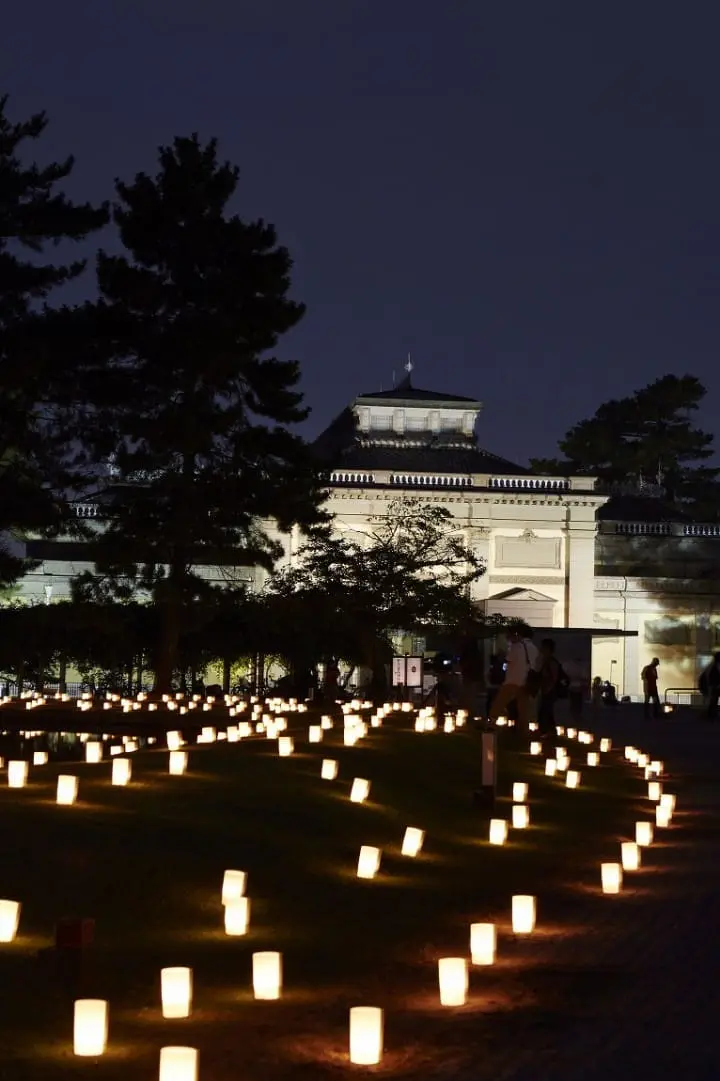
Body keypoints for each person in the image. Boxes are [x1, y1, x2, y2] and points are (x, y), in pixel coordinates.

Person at [489, 625, 540, 729]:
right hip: (526, 683)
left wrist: (502, 655)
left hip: (512, 680)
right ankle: (523, 732)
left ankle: (491, 727)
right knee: (523, 710)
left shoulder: (517, 646)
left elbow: (508, 660)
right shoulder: (534, 648)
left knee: (498, 705)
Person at [537, 638, 561, 737]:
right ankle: (550, 732)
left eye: (543, 647)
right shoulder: (545, 661)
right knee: (547, 712)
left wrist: (548, 689)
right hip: (545, 690)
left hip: (549, 691)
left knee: (545, 712)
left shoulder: (551, 662)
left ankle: (546, 732)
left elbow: (554, 677)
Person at [699, 653, 720, 720]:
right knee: (713, 700)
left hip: (711, 687)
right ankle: (711, 715)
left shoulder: (712, 666)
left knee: (713, 700)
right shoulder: (714, 667)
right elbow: (712, 679)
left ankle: (711, 714)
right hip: (711, 687)